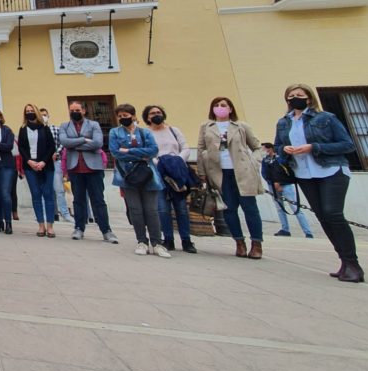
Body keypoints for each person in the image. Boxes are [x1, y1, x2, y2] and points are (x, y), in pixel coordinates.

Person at [273, 84, 362, 283]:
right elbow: (278, 145)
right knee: (323, 217)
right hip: (304, 174)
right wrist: (284, 149)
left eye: (300, 95)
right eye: (291, 96)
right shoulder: (283, 123)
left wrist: (314, 147)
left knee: (333, 213)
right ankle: (344, 262)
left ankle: (353, 263)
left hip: (331, 170)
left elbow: (347, 144)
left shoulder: (326, 118)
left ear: (309, 98)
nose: (295, 98)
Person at [197, 96, 264, 259]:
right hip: (220, 173)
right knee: (229, 209)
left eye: (223, 105)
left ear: (230, 108)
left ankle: (256, 244)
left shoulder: (241, 126)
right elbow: (200, 149)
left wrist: (254, 162)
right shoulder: (207, 127)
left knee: (250, 208)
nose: (220, 108)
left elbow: (257, 147)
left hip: (242, 171)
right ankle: (239, 243)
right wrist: (202, 172)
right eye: (216, 105)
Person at [110, 104, 168, 257]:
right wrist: (141, 154)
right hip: (127, 176)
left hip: (148, 174)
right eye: (120, 116)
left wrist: (128, 150)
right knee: (135, 210)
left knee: (152, 210)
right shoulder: (114, 132)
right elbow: (116, 152)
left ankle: (157, 243)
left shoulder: (145, 132)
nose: (124, 118)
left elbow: (153, 150)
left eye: (126, 115)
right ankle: (141, 241)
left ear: (134, 116)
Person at [59, 102, 118, 243]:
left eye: (77, 110)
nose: (75, 112)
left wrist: (75, 144)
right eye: (72, 110)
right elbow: (64, 142)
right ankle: (79, 228)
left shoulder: (94, 125)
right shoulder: (64, 126)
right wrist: (84, 140)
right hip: (75, 168)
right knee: (78, 200)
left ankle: (106, 230)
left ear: (84, 110)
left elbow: (97, 143)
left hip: (93, 168)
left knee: (98, 200)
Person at [144, 104, 197, 254]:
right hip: (158, 173)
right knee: (162, 208)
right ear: (147, 117)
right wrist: (160, 163)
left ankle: (186, 240)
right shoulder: (146, 133)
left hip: (177, 172)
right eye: (152, 113)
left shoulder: (174, 130)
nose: (156, 115)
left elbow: (185, 147)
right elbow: (147, 152)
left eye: (158, 112)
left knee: (181, 208)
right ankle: (168, 239)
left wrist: (177, 160)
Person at [18, 104, 57, 237]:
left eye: (31, 111)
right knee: (35, 194)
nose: (29, 113)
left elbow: (52, 146)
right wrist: (29, 160)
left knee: (48, 194)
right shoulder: (23, 129)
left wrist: (43, 162)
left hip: (46, 165)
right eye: (27, 111)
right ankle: (41, 225)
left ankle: (50, 226)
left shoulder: (44, 128)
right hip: (30, 166)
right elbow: (21, 147)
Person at [260, 142, 314, 239]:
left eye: (264, 149)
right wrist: (271, 182)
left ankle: (308, 232)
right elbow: (264, 172)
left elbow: (282, 170)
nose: (263, 151)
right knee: (280, 208)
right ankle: (285, 229)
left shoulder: (280, 158)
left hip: (285, 185)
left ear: (270, 148)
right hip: (272, 185)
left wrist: (279, 182)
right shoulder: (265, 160)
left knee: (295, 208)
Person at [40, 107, 73, 224]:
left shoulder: (56, 129)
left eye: (45, 114)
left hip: (56, 162)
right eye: (41, 114)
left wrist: (56, 152)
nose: (43, 116)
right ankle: (44, 214)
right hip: (42, 164)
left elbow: (62, 143)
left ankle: (65, 214)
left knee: (59, 190)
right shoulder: (37, 131)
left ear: (48, 116)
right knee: (44, 190)